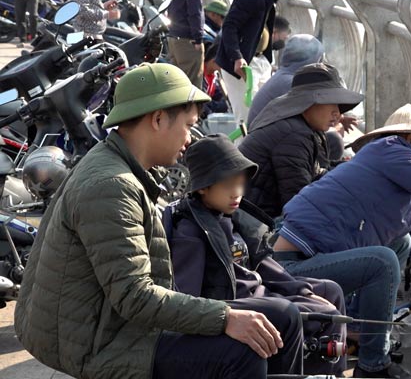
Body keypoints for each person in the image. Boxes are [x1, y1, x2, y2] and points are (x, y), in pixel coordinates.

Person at [14, 63, 292, 379]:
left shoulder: (122, 164)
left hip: (106, 321)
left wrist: (226, 316)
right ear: (158, 119)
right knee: (241, 354)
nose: (190, 139)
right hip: (96, 342)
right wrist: (225, 317)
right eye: (188, 126)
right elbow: (135, 297)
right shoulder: (112, 186)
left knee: (282, 317)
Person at [273, 104, 411, 378]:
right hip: (287, 269)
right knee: (382, 262)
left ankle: (361, 328)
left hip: (310, 264)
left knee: (401, 243)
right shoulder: (391, 150)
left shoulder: (392, 187)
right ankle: (373, 365)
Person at [164, 135, 347, 376]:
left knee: (331, 291)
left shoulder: (231, 218)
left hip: (261, 293)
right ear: (203, 187)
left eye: (240, 184)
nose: (237, 193)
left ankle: (328, 372)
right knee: (323, 314)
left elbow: (264, 266)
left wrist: (303, 292)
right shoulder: (191, 231)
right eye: (228, 185)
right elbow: (188, 296)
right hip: (237, 305)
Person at [237, 63, 362, 218]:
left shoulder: (298, 124)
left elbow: (316, 172)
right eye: (331, 102)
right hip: (259, 221)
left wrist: (358, 168)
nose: (337, 113)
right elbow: (299, 202)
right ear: (308, 102)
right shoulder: (293, 134)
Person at [215, 0, 277, 123]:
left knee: (264, 115)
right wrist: (237, 57)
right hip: (243, 65)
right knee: (247, 118)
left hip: (261, 61)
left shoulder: (270, 1)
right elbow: (229, 26)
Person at [247, 33, 325, 128]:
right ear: (312, 60)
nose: (321, 65)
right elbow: (316, 120)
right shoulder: (291, 83)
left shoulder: (284, 76)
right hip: (266, 140)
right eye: (319, 60)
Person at [167, 0, 206, 90]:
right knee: (192, 87)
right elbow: (195, 12)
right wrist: (198, 39)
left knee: (177, 85)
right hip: (188, 41)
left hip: (174, 39)